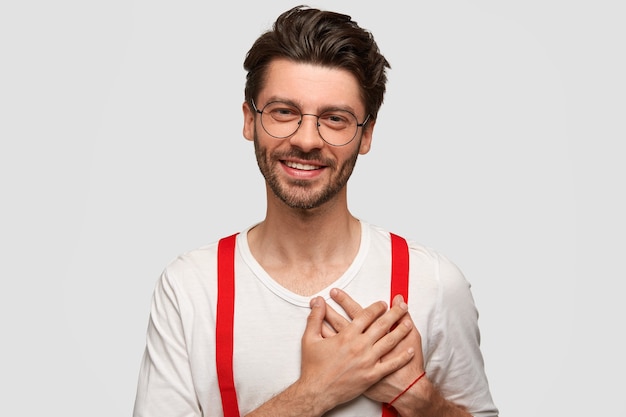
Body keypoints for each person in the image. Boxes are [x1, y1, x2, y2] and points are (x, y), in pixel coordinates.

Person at [133, 5, 498, 417]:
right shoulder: (191, 289)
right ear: (249, 120)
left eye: (335, 119)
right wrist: (317, 391)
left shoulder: (432, 283)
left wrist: (419, 398)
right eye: (284, 112)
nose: (307, 139)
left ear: (367, 134)